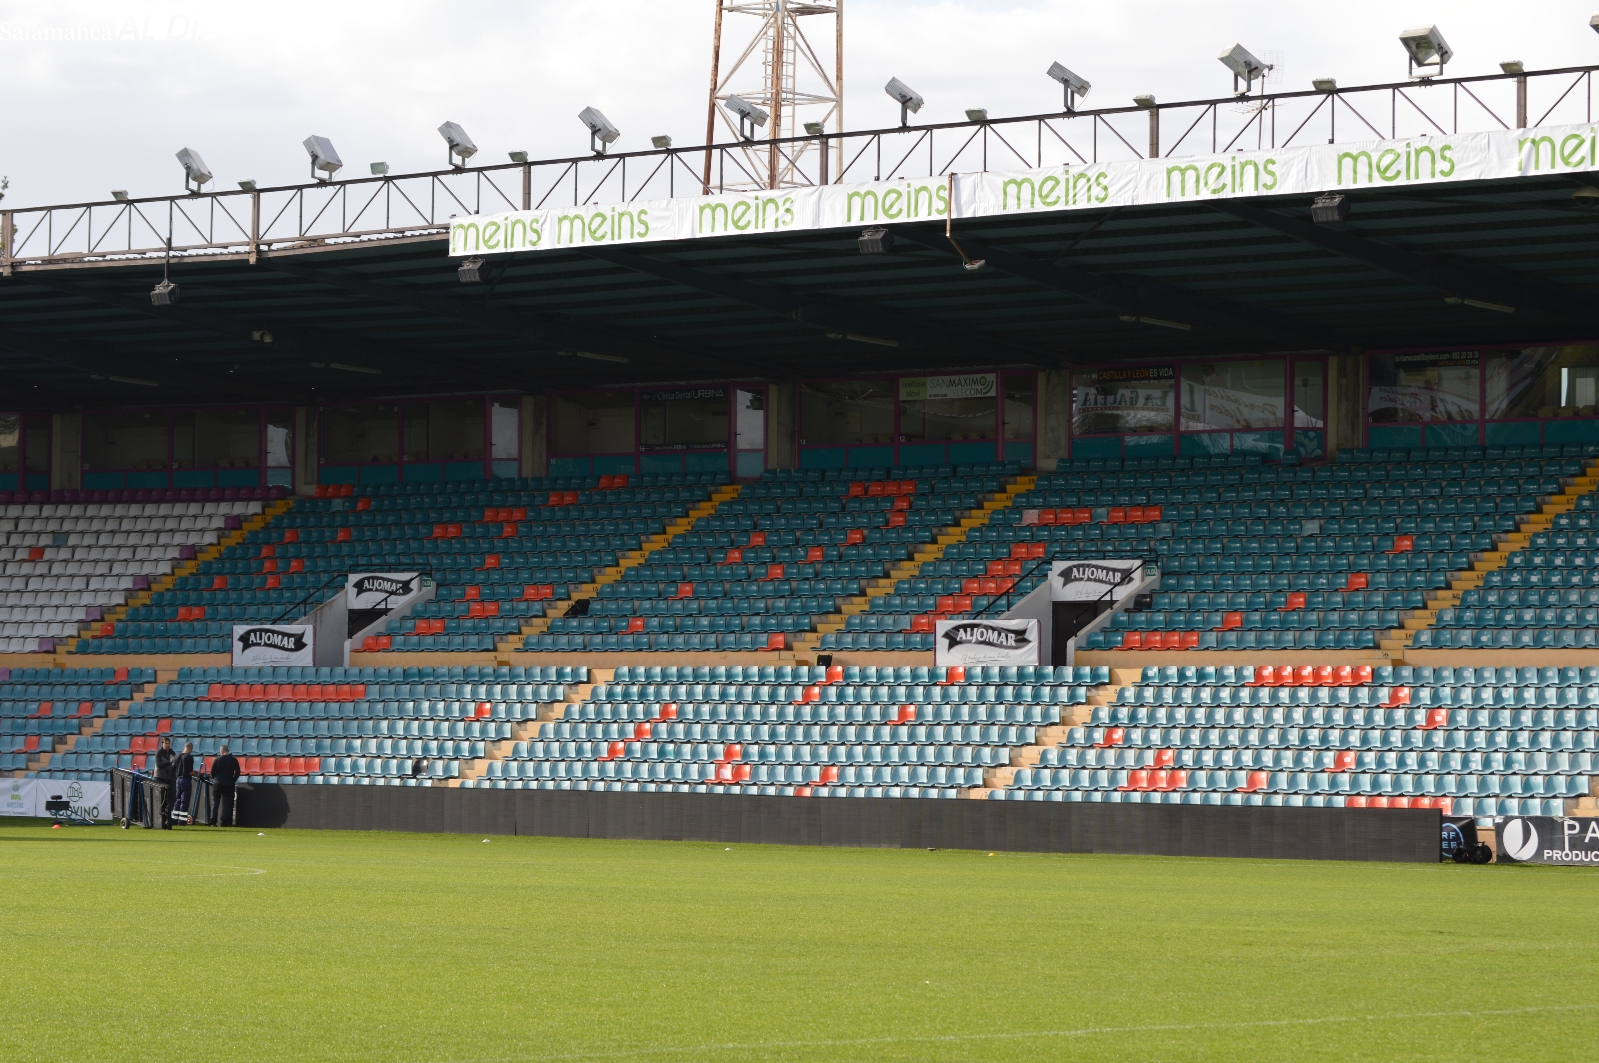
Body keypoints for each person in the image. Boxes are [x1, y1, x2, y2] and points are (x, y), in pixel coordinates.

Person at [209, 744, 240, 827]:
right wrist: (233, 780)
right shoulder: (233, 760)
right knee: (226, 804)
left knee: (215, 803)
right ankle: (224, 822)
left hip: (217, 784)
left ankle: (213, 821)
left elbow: (212, 773)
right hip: (228, 784)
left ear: (221, 751)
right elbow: (237, 772)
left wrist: (216, 778)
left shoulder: (217, 759)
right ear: (228, 751)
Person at [152, 736, 178, 829]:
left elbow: (174, 759)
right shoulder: (159, 753)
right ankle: (159, 817)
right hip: (160, 777)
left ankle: (167, 817)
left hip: (169, 777)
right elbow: (159, 764)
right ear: (162, 744)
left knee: (169, 798)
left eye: (168, 743)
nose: (167, 745)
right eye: (165, 743)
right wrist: (169, 762)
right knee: (161, 797)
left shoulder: (171, 752)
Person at [172, 741, 196, 822]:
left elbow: (174, 768)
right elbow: (190, 771)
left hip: (178, 780)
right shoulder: (189, 757)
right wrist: (199, 775)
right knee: (184, 800)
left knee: (177, 799)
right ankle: (181, 821)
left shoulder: (177, 756)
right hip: (185, 780)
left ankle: (174, 819)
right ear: (190, 748)